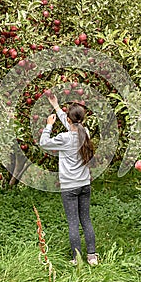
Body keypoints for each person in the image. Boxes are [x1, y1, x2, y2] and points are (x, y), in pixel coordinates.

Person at [39, 94, 98, 266]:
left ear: (69, 120)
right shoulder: (84, 133)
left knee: (73, 222)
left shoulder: (64, 138)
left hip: (69, 187)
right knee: (86, 219)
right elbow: (72, 125)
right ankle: (92, 256)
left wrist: (49, 126)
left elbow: (44, 143)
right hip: (84, 184)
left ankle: (76, 259)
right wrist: (56, 107)